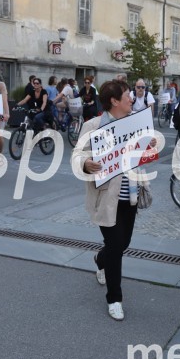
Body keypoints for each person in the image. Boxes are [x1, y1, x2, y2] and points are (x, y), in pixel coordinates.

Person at [72, 80, 145, 321]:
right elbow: (77, 155)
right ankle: (114, 299)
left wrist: (149, 145)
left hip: (130, 195)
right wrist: (85, 162)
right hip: (105, 197)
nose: (131, 98)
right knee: (115, 247)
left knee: (123, 244)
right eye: (127, 95)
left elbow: (143, 153)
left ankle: (99, 259)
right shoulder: (93, 126)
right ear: (114, 101)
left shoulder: (135, 122)